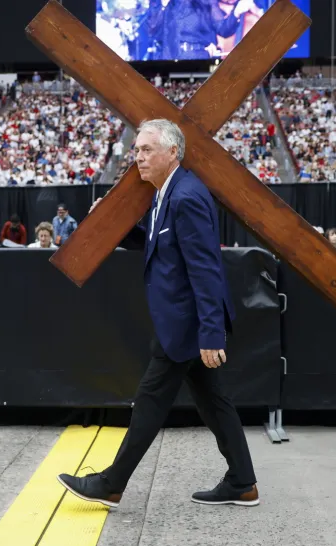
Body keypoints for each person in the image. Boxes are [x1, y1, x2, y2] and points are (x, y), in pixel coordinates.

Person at [57, 118, 258, 508]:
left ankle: (111, 484)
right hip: (183, 324)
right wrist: (113, 226)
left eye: (147, 150)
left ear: (172, 152)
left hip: (186, 326)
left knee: (150, 400)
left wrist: (211, 334)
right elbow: (157, 244)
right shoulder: (165, 193)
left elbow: (206, 268)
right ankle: (242, 482)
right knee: (214, 403)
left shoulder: (186, 197)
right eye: (136, 151)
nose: (139, 158)